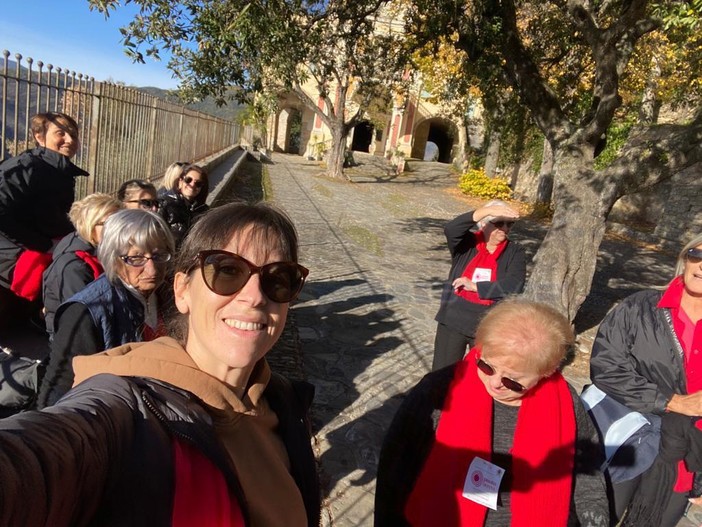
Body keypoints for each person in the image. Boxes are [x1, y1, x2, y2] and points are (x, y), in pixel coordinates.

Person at [0, 202, 319, 527]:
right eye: (226, 270)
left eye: (279, 278)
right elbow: (53, 449)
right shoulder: (130, 412)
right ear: (182, 291)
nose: (255, 296)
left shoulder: (284, 402)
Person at [375, 298, 609, 526]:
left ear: (546, 372)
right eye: (486, 365)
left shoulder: (564, 401)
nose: (495, 382)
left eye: (513, 381)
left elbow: (586, 469)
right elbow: (395, 466)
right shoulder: (439, 389)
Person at [589, 233, 702, 526]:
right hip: (629, 441)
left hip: (685, 458)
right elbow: (606, 367)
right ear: (685, 258)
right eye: (698, 255)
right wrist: (671, 401)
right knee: (595, 518)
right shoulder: (640, 307)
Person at [37, 208, 174, 408]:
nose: (152, 269)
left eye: (159, 255)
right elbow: (60, 388)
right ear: (113, 258)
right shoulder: (85, 312)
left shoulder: (170, 293)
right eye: (136, 258)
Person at [0, 112, 88, 323]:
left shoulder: (58, 170)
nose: (69, 140)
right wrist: (42, 244)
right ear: (40, 137)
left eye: (74, 135)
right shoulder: (25, 168)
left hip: (39, 251)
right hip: (14, 255)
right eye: (61, 133)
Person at [432, 200, 526, 370]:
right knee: (442, 375)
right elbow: (451, 229)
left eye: (509, 224)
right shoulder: (467, 244)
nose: (505, 228)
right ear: (483, 223)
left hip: (488, 326)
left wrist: (475, 286)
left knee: (479, 378)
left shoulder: (515, 252)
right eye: (499, 223)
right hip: (453, 320)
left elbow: (514, 285)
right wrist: (484, 210)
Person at [42, 192, 122, 338]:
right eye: (110, 223)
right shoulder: (73, 266)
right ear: (90, 226)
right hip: (76, 338)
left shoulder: (105, 250)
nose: (119, 229)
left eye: (121, 222)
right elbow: (84, 315)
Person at [159, 163, 210, 247]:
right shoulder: (165, 204)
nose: (192, 185)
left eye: (198, 183)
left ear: (202, 188)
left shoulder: (204, 211)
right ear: (180, 181)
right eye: (188, 180)